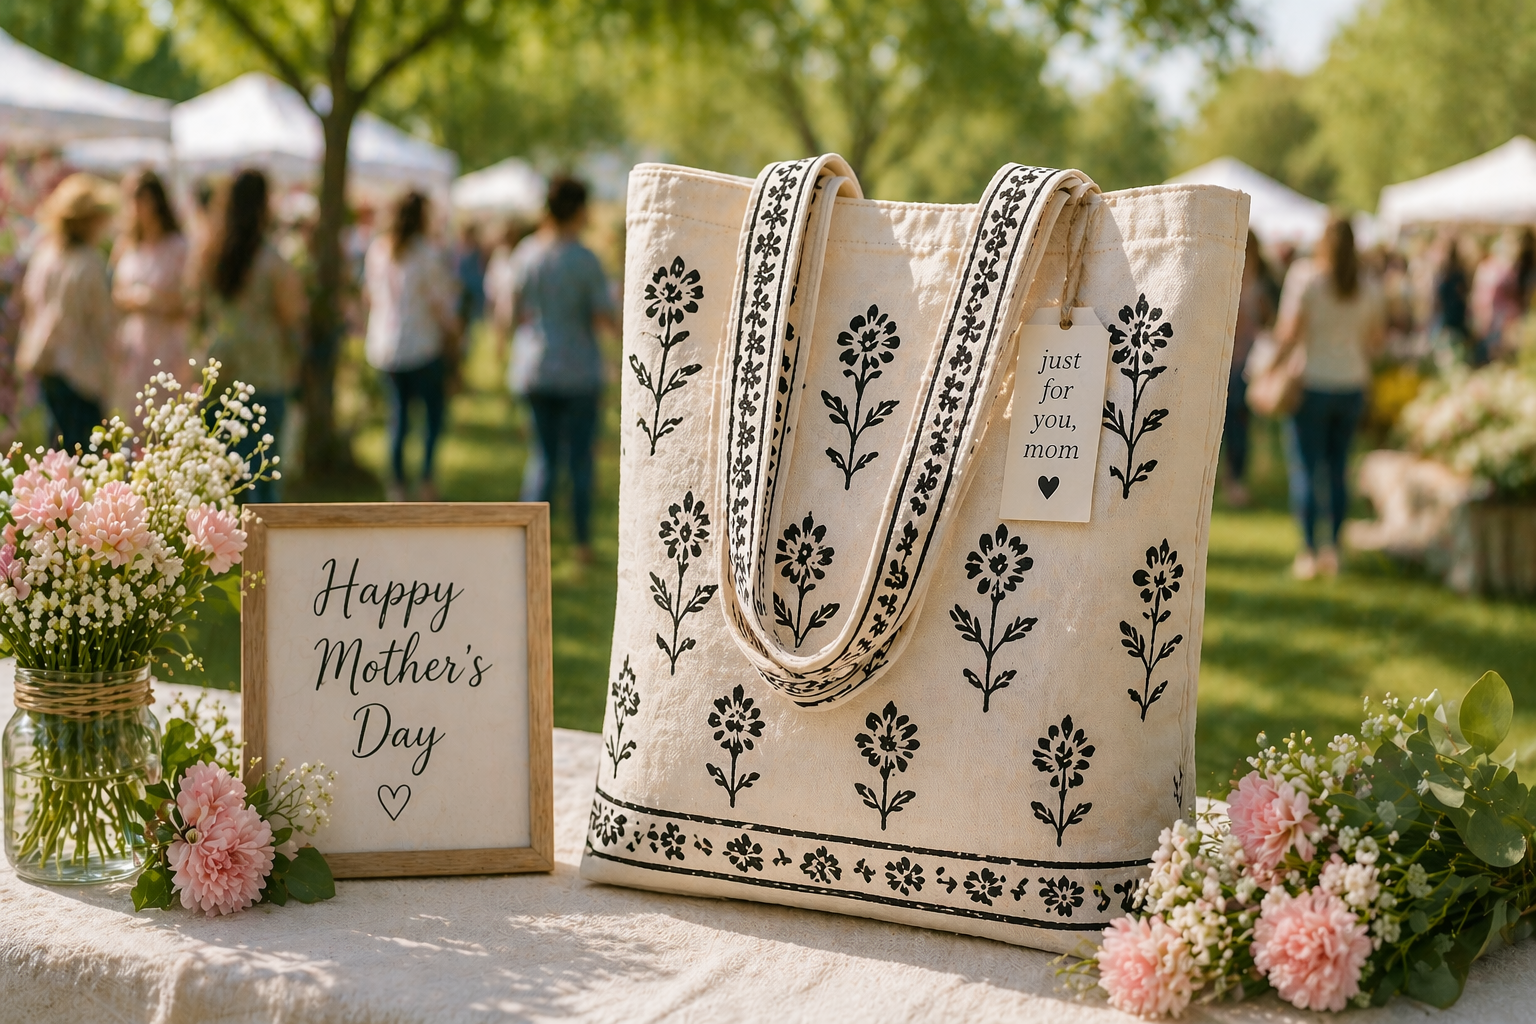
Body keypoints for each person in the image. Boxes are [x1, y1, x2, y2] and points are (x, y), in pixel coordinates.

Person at [503, 177, 616, 563]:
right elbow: (604, 316)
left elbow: (508, 310)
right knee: (580, 459)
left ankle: (528, 547)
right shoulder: (584, 260)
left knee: (543, 459)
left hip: (534, 367)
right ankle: (582, 544)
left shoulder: (526, 253)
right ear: (579, 210)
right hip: (578, 371)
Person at [1273, 217, 1386, 580]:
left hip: (1313, 384)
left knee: (1306, 468)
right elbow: (1376, 343)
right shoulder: (1368, 286)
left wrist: (1268, 369)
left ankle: (1308, 552)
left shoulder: (1306, 278)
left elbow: (1288, 333)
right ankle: (1333, 549)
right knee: (1337, 469)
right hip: (1352, 384)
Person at [194, 169, 305, 503]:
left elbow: (197, 309)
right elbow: (292, 316)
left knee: (222, 472)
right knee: (261, 470)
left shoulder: (209, 254)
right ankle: (258, 552)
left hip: (220, 367)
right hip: (263, 372)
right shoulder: (271, 261)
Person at [364, 190, 460, 502]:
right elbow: (440, 304)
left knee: (399, 417)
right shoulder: (425, 254)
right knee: (432, 416)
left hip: (386, 346)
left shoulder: (379, 250)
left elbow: (369, 296)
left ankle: (397, 485)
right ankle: (427, 479)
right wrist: (454, 333)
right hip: (421, 346)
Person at [17, 173, 116, 449]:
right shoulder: (89, 263)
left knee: (57, 448)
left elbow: (29, 303)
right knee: (86, 453)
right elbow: (103, 322)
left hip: (46, 361)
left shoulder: (46, 256)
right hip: (80, 370)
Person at [111, 170, 192, 415]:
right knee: (132, 414)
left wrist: (151, 301)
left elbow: (189, 301)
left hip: (167, 343)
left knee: (164, 413)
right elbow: (116, 292)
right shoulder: (127, 244)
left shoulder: (178, 247)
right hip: (134, 343)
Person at [1222, 231, 1275, 507]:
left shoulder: (1259, 281)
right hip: (1223, 359)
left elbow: (1268, 321)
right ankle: (1227, 478)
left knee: (1238, 423)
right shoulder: (1225, 273)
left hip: (1246, 364)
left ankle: (1235, 479)